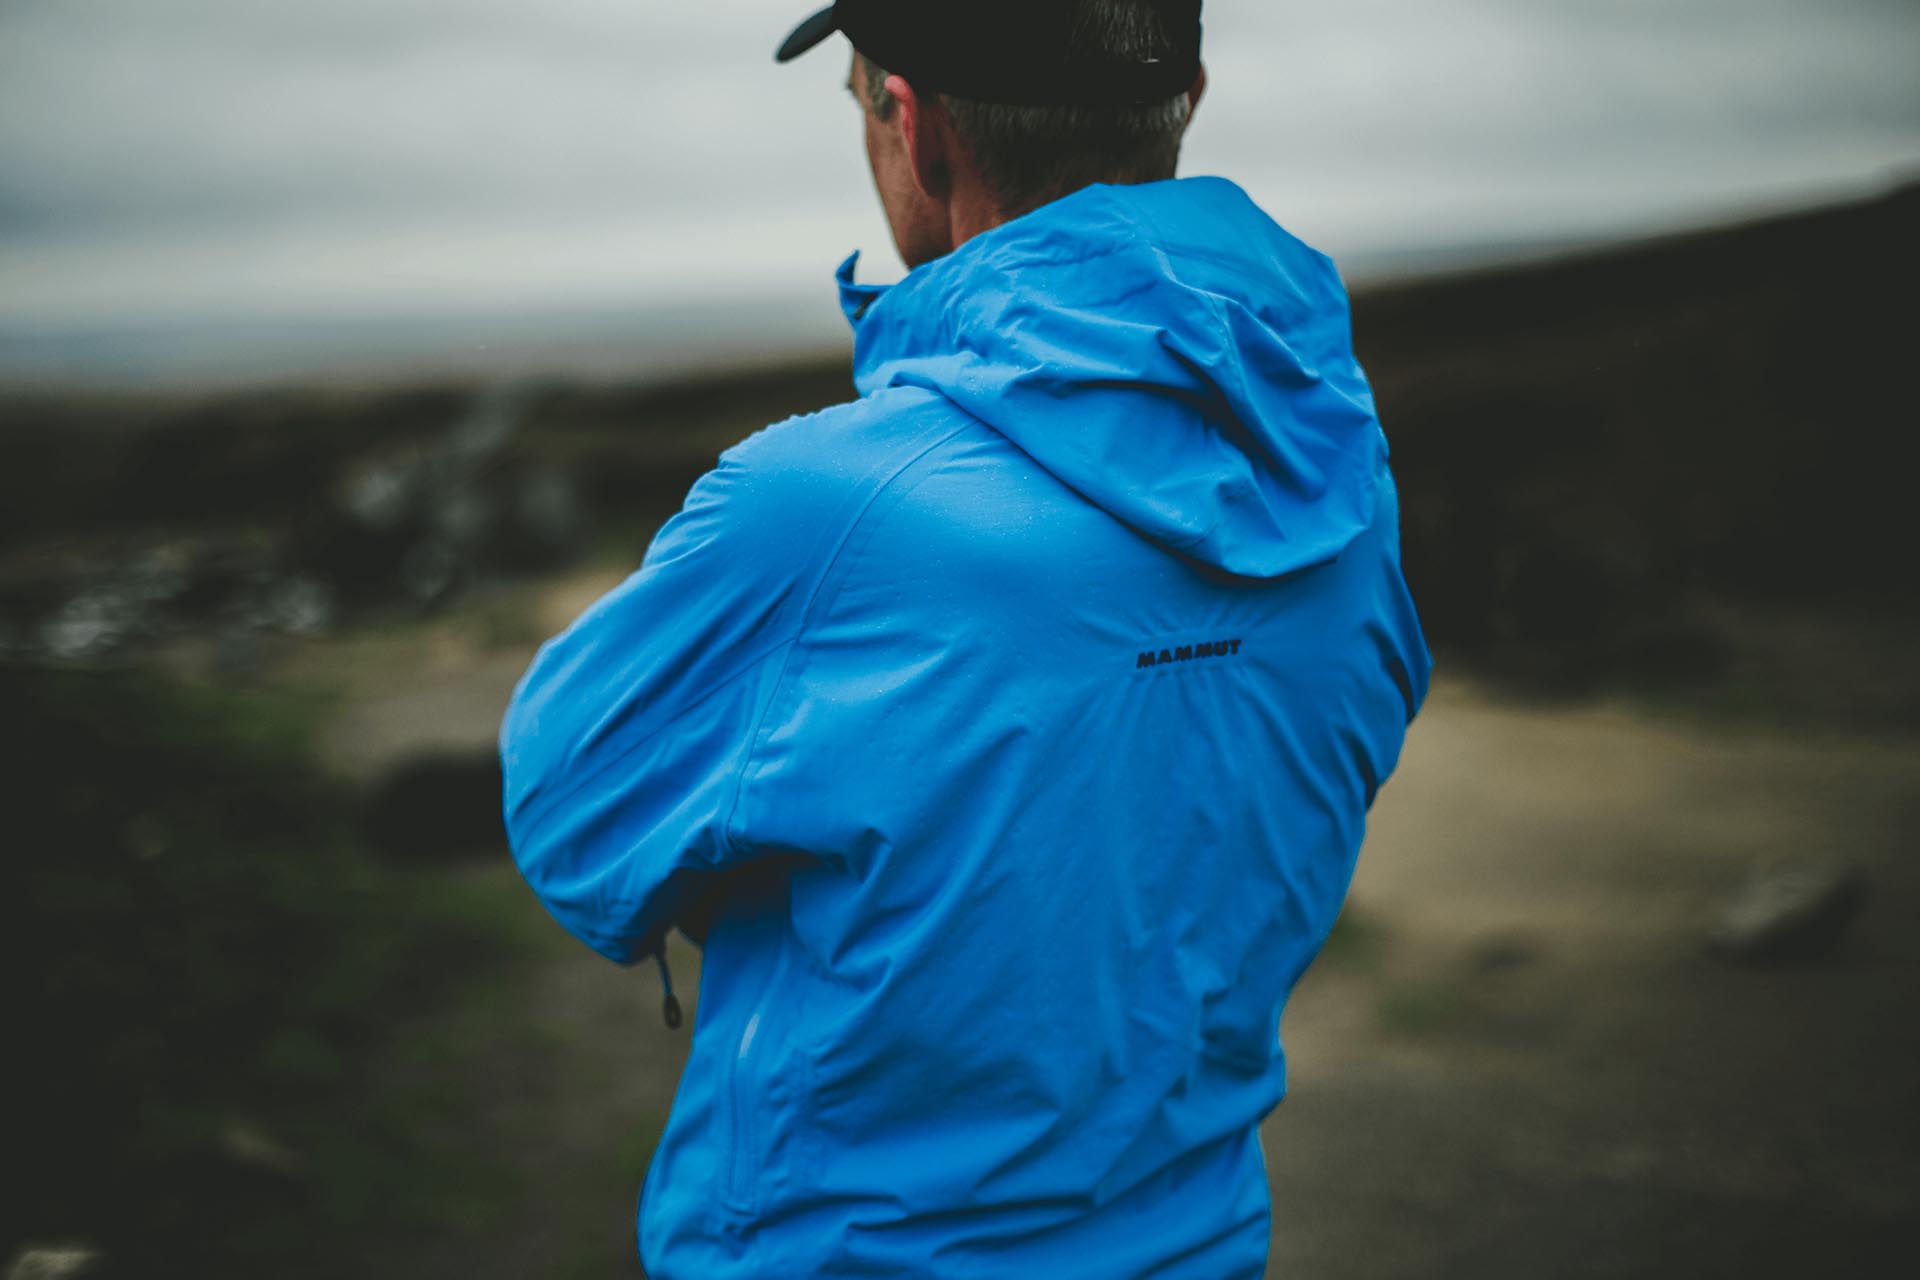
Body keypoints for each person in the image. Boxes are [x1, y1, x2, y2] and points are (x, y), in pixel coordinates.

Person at [498, 1, 1430, 1274]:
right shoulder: (1344, 479)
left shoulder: (818, 511)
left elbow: (572, 823)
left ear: (915, 126)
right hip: (1199, 1240)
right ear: (1189, 93)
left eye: (859, 104)